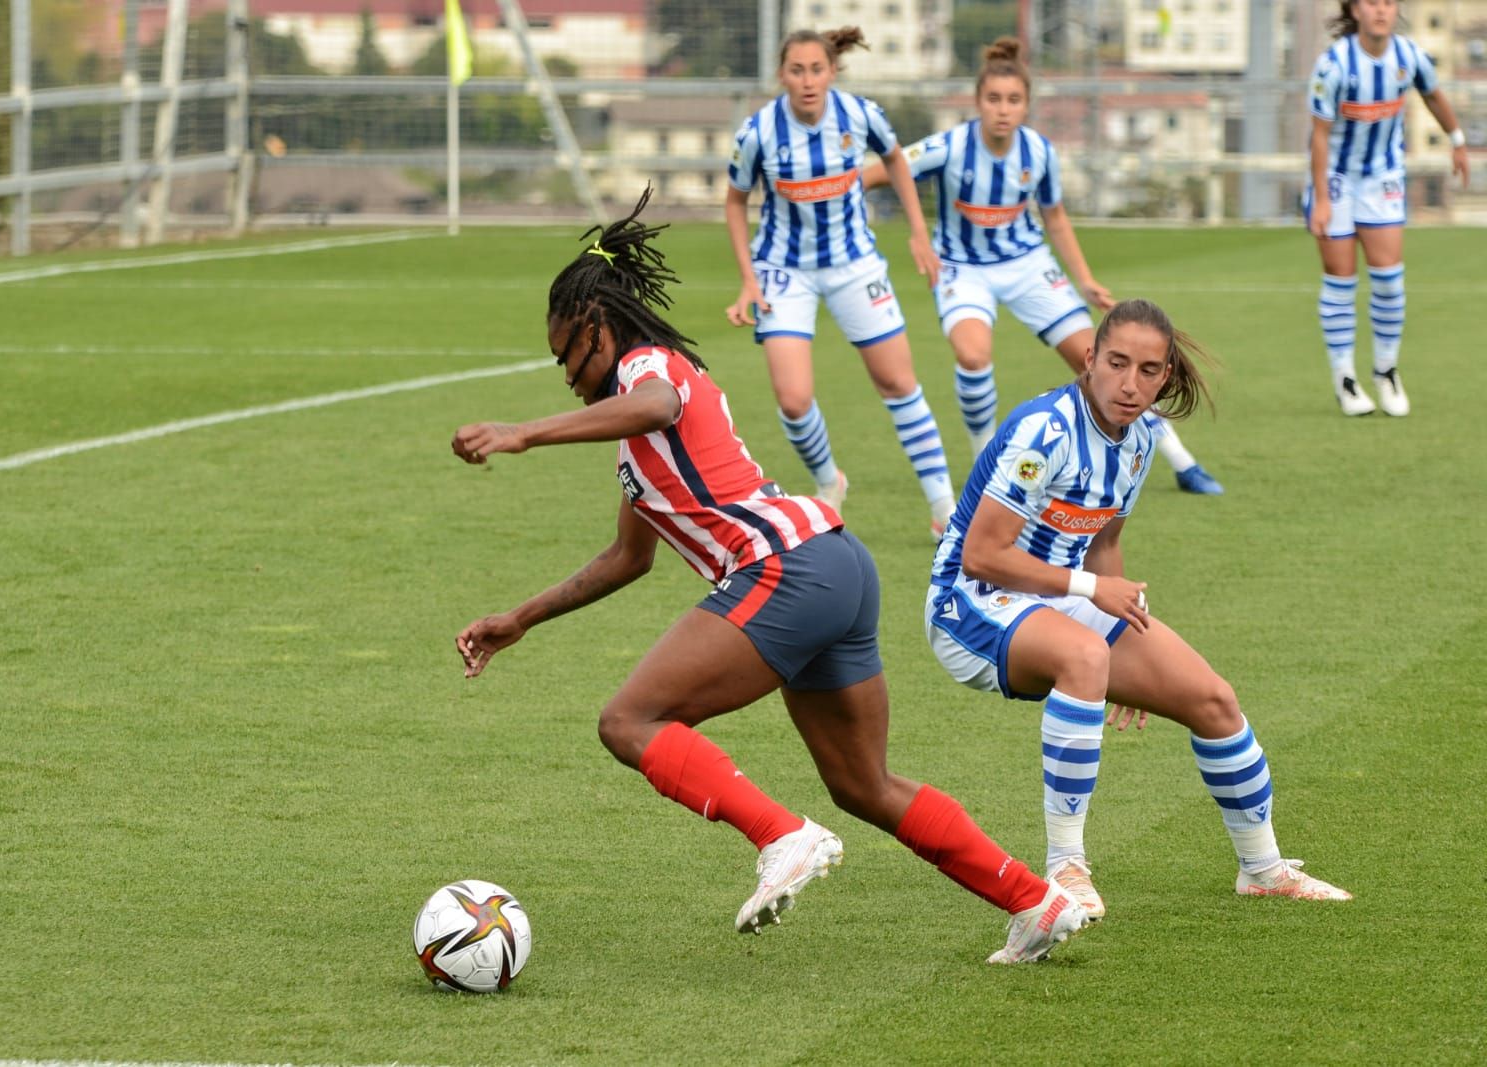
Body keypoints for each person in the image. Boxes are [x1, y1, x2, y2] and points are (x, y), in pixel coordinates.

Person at [453, 188, 1089, 964]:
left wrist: (522, 433)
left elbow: (651, 402)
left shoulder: (651, 367)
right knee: (864, 784)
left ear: (601, 326)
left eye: (567, 354)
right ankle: (1036, 899)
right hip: (837, 566)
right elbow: (628, 557)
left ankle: (781, 834)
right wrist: (520, 618)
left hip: (785, 568)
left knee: (628, 722)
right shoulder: (636, 451)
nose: (564, 374)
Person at [923, 298, 1351, 921]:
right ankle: (1066, 869)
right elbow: (982, 556)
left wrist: (1117, 630)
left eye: (1149, 371)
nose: (1130, 384)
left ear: (1166, 377)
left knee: (1214, 701)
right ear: (1090, 358)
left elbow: (1106, 541)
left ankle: (1263, 870)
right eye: (1117, 363)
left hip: (1063, 602)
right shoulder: (1045, 431)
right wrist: (1096, 610)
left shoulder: (1142, 438)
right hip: (969, 606)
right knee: (1084, 654)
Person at [862, 37, 1224, 496]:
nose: (1002, 109)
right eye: (993, 99)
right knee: (972, 356)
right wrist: (899, 225)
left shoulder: (1038, 152)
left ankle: (1183, 462)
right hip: (963, 269)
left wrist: (1085, 279)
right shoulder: (950, 145)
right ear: (978, 102)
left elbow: (1054, 216)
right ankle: (984, 461)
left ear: (1027, 106)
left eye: (1013, 100)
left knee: (1101, 361)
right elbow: (878, 172)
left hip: (1028, 265)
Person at [725, 26, 959, 536]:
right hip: (785, 271)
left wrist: (920, 232)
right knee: (792, 399)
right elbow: (735, 200)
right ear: (781, 74)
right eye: (796, 70)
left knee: (897, 382)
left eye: (816, 69)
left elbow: (896, 159)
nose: (807, 81)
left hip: (856, 264)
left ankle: (944, 509)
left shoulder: (859, 115)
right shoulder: (758, 132)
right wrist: (748, 280)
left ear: (832, 71)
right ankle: (829, 482)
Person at [1306, 0, 1469, 417]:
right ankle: (1345, 379)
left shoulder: (1409, 56)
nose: (1381, 10)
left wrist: (1457, 140)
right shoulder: (1334, 65)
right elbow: (1320, 136)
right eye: (1371, 3)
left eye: (1388, 2)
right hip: (1338, 182)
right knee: (1341, 283)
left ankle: (1386, 371)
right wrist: (1322, 199)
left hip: (1383, 180)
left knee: (1389, 281)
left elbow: (1433, 94)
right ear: (1355, 11)